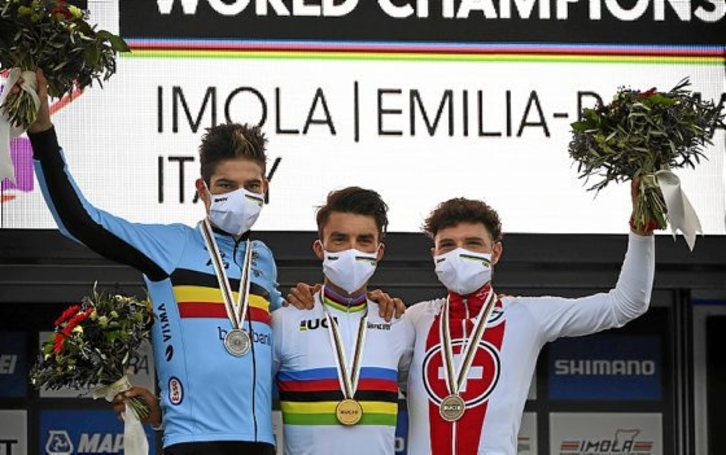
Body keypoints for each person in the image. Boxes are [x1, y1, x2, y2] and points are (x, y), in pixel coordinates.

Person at [24, 70, 401, 454]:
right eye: (225, 185)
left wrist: (363, 301)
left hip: (259, 446)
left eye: (251, 185)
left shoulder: (262, 260)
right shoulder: (171, 247)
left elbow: (296, 330)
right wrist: (42, 133)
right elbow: (81, 220)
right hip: (191, 443)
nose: (240, 195)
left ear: (265, 189)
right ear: (202, 190)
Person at [403, 189, 654, 455]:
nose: (459, 253)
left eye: (473, 243)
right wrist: (375, 301)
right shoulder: (414, 319)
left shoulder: (526, 315)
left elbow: (626, 304)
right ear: (434, 253)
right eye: (448, 245)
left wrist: (641, 231)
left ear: (495, 252)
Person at [272, 187, 414, 455]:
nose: (352, 250)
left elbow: (428, 403)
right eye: (340, 239)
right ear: (320, 248)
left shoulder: (399, 323)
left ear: (379, 252)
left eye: (364, 240)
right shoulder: (284, 322)